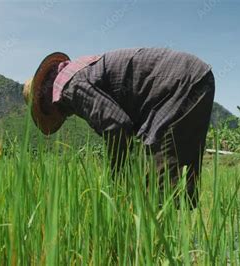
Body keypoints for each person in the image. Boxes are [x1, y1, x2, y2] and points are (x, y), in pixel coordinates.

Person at [22, 48, 215, 208]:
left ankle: (163, 246)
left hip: (179, 84)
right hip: (191, 78)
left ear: (47, 101)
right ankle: (177, 246)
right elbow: (124, 126)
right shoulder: (79, 73)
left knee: (161, 185)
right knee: (172, 180)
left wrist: (115, 178)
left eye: (47, 110)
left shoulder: (71, 87)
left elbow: (115, 126)